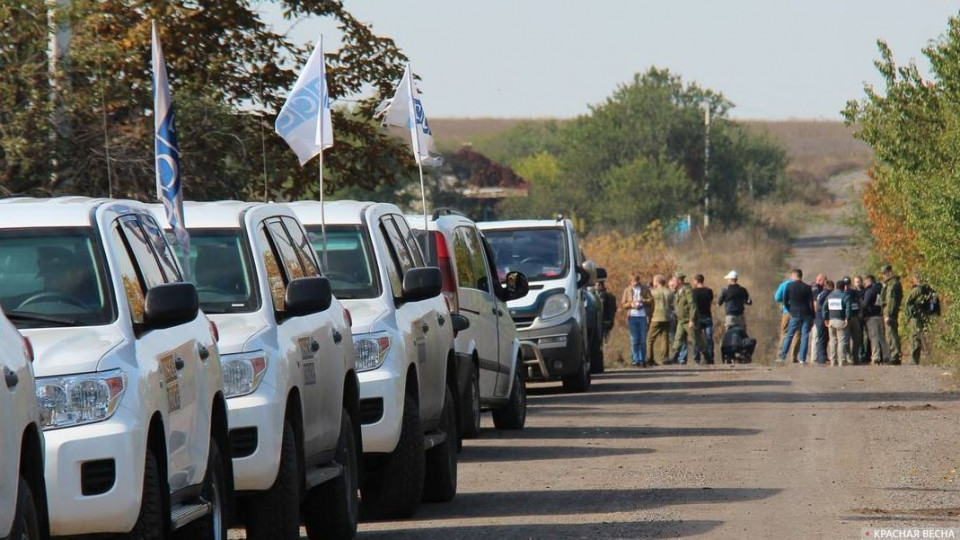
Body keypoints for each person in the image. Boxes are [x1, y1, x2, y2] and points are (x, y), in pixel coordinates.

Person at [777, 269, 814, 365]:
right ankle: (802, 358)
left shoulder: (789, 286)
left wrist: (790, 310)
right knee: (805, 335)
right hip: (806, 313)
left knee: (789, 334)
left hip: (794, 313)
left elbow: (785, 301)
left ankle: (783, 356)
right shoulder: (807, 287)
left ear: (794, 275)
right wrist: (812, 315)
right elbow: (810, 303)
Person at [905, 275, 937, 365]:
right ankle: (929, 357)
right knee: (926, 336)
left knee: (915, 336)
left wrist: (910, 314)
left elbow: (908, 302)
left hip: (917, 317)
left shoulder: (917, 290)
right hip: (926, 316)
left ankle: (914, 359)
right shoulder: (929, 290)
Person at [620, 274, 651, 366]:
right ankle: (635, 359)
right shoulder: (627, 290)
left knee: (643, 339)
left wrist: (643, 301)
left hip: (643, 316)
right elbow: (623, 304)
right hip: (632, 316)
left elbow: (651, 300)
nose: (634, 283)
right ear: (630, 282)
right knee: (634, 339)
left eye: (636, 282)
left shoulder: (645, 289)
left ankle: (642, 359)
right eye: (633, 282)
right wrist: (631, 304)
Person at [670, 273, 701, 365]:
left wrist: (692, 319)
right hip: (681, 320)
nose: (673, 283)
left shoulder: (687, 291)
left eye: (674, 281)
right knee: (678, 339)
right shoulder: (678, 291)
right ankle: (675, 357)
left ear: (679, 281)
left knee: (695, 339)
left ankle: (699, 358)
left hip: (688, 320)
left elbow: (692, 305)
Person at [824, 278, 853, 366]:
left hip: (831, 320)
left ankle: (833, 361)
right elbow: (848, 308)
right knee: (842, 341)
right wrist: (847, 318)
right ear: (844, 287)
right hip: (841, 320)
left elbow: (824, 308)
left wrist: (826, 318)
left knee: (832, 341)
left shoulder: (829, 295)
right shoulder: (845, 296)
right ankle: (842, 361)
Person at [774, 272, 800, 362]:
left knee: (784, 333)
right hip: (797, 312)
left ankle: (781, 355)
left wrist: (784, 300)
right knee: (797, 333)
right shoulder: (801, 285)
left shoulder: (784, 284)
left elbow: (777, 298)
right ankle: (794, 356)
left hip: (786, 311)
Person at [862, 275, 888, 364]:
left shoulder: (869, 291)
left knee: (874, 337)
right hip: (879, 315)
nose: (864, 285)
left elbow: (865, 305)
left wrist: (862, 311)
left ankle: (875, 356)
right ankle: (886, 355)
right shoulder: (881, 289)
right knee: (882, 337)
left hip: (871, 317)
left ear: (869, 281)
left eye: (865, 283)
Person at [646, 275, 672, 367]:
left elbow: (649, 301)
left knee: (650, 339)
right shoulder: (669, 291)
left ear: (657, 282)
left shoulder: (653, 292)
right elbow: (672, 304)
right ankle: (664, 358)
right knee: (664, 338)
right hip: (667, 317)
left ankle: (650, 358)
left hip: (656, 317)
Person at [880, 265, 903, 364]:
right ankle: (894, 355)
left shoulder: (892, 284)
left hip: (890, 313)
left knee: (891, 334)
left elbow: (891, 300)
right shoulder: (891, 284)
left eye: (884, 274)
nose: (884, 276)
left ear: (889, 272)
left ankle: (895, 356)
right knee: (891, 334)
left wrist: (888, 314)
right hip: (891, 312)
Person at [691, 274, 715, 364]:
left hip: (697, 317)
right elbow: (711, 301)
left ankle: (697, 358)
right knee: (709, 338)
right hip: (707, 316)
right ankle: (710, 357)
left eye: (694, 281)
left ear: (697, 281)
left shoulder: (693, 292)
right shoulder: (709, 291)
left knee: (697, 338)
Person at [845, 275, 864, 365]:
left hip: (855, 317)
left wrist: (860, 312)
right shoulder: (841, 292)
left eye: (848, 284)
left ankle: (855, 357)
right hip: (845, 319)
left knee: (857, 338)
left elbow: (860, 302)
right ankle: (848, 356)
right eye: (845, 284)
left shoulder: (853, 292)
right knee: (846, 339)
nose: (846, 286)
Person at [814, 278, 832, 364]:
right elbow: (820, 305)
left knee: (823, 338)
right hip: (821, 318)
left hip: (819, 318)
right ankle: (822, 358)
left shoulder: (822, 293)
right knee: (822, 338)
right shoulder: (826, 294)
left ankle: (821, 356)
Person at [810, 274, 826, 364]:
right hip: (816, 316)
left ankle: (816, 356)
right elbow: (815, 303)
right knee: (816, 336)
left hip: (819, 316)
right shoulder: (814, 289)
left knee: (818, 337)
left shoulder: (822, 289)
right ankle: (814, 357)